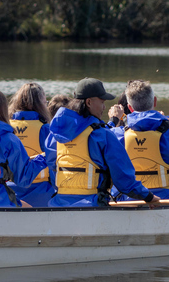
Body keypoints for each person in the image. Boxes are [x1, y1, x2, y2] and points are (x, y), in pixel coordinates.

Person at [45, 78, 160, 207]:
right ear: (89, 102)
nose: (104, 107)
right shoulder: (103, 135)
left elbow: (52, 170)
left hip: (58, 204)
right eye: (102, 102)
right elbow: (124, 179)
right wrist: (148, 196)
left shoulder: (54, 135)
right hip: (93, 205)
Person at [8, 82, 54, 207]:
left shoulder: (6, 127)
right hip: (40, 192)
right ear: (40, 105)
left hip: (9, 191)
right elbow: (53, 161)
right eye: (46, 103)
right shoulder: (45, 128)